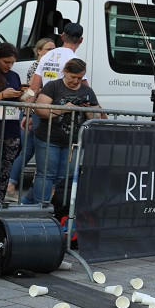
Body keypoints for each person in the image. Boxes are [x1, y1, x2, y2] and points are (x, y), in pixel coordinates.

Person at [23, 58, 104, 205]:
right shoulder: (53, 86)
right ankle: (41, 209)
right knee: (46, 174)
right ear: (65, 72)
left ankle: (58, 209)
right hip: (49, 138)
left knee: (65, 177)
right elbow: (40, 110)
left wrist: (87, 110)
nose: (76, 81)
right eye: (73, 77)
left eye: (80, 78)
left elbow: (96, 115)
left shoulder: (87, 91)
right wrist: (64, 108)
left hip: (73, 142)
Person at [5, 37, 57, 201]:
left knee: (30, 150)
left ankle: (13, 185)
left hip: (36, 111)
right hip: (33, 111)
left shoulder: (50, 66)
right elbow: (33, 90)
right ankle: (11, 186)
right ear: (39, 51)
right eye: (48, 49)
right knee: (28, 150)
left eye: (54, 49)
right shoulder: (37, 66)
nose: (52, 52)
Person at [0, 44, 23, 203]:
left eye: (12, 63)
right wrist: (2, 94)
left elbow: (18, 100)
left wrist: (23, 96)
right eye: (6, 62)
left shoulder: (14, 76)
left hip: (11, 127)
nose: (9, 66)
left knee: (5, 170)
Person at [29, 22, 84, 93]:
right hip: (63, 103)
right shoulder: (75, 61)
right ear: (81, 40)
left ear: (62, 37)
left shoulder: (46, 56)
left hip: (45, 101)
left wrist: (24, 102)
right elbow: (85, 91)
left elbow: (34, 88)